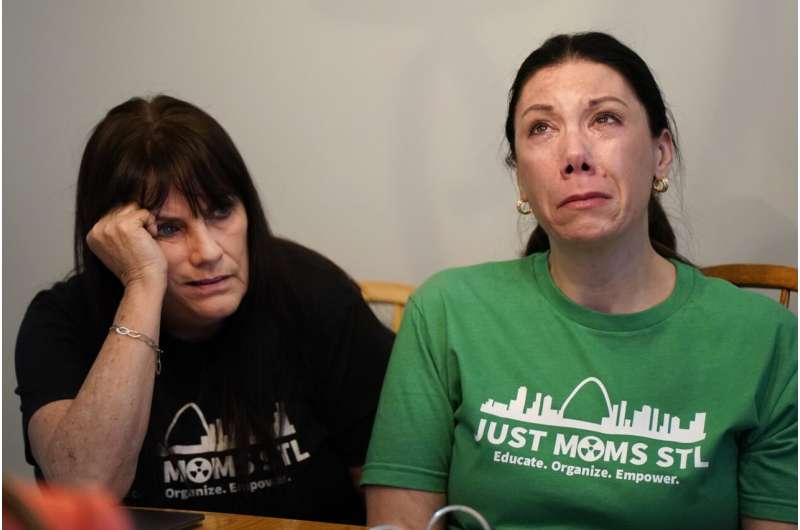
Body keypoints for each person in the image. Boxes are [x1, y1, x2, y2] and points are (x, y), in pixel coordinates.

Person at [362, 32, 797, 529]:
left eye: (605, 118)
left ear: (661, 153)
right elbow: (399, 522)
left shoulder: (767, 339)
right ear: (521, 179)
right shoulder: (445, 312)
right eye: (542, 128)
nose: (574, 153)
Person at [15, 95, 394, 525]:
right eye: (167, 228)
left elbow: (395, 494)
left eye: (221, 211)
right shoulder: (62, 320)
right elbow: (84, 492)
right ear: (115, 239)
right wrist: (142, 284)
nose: (209, 252)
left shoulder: (315, 292)